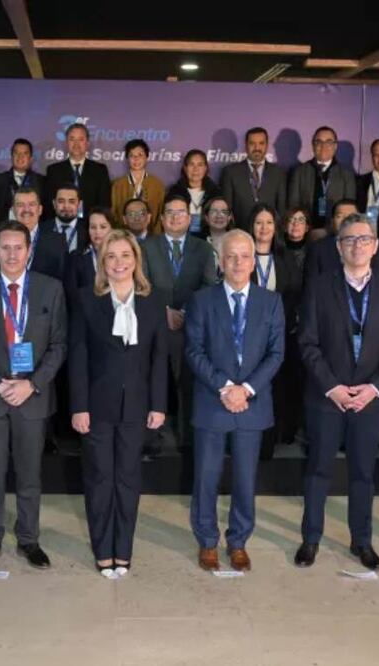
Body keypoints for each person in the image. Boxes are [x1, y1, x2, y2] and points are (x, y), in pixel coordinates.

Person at [296, 214, 379, 570]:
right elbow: (308, 342)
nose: (357, 246)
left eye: (364, 240)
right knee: (318, 471)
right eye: (349, 240)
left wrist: (374, 389)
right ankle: (310, 538)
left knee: (363, 474)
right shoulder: (318, 286)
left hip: (369, 401)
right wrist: (332, 386)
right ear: (338, 246)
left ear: (375, 246)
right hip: (326, 397)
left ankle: (362, 541)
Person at [0, 220, 68, 571]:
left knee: (29, 474)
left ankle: (29, 539)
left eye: (18, 247)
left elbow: (59, 345)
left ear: (29, 250)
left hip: (32, 398)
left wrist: (31, 384)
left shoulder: (51, 289)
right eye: (4, 247)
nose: (11, 254)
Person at [69, 229, 167, 577]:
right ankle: (102, 550)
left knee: (127, 479)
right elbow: (78, 357)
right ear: (102, 262)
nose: (118, 263)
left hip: (137, 408)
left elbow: (158, 359)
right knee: (99, 479)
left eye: (125, 255)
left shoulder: (153, 302)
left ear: (135, 260)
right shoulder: (85, 300)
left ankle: (122, 550)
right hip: (96, 407)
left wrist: (158, 405)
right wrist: (79, 407)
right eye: (111, 256)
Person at [187, 229, 285, 571]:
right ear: (221, 260)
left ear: (253, 261)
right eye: (231, 256)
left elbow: (276, 354)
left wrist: (246, 390)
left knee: (245, 478)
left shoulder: (271, 302)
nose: (238, 263)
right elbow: (194, 352)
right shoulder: (201, 300)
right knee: (206, 477)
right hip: (213, 401)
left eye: (245, 256)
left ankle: (239, 540)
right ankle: (207, 540)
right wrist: (226, 387)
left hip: (252, 404)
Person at [142, 193, 219, 452]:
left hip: (191, 328)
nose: (175, 217)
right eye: (170, 213)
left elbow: (209, 286)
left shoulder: (204, 248)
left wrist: (185, 312)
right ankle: (153, 439)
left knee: (187, 384)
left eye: (181, 213)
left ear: (190, 218)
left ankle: (187, 440)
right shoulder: (146, 247)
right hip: (154, 327)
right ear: (162, 219)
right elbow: (142, 286)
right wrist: (162, 311)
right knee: (154, 383)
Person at [250, 204, 302, 456]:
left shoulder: (285, 258)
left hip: (279, 334)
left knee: (277, 388)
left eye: (269, 222)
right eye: (259, 222)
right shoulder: (242, 256)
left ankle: (273, 439)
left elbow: (293, 294)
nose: (264, 228)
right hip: (248, 336)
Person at [287, 126, 356, 229]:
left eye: (328, 142)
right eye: (319, 142)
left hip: (335, 233)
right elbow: (293, 206)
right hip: (306, 231)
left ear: (335, 146)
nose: (323, 146)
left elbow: (349, 211)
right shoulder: (299, 172)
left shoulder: (347, 175)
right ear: (313, 145)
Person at [219, 127, 288, 230]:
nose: (257, 148)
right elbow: (226, 209)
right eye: (252, 143)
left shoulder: (279, 173)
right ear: (246, 145)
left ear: (267, 145)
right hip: (239, 235)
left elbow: (281, 210)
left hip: (268, 235)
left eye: (261, 143)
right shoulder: (230, 172)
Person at [45, 122, 111, 219]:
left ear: (87, 143)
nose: (76, 144)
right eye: (72, 139)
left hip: (91, 227)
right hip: (62, 225)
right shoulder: (53, 170)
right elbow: (49, 205)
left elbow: (104, 204)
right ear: (66, 143)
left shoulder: (100, 170)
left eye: (81, 139)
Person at [0, 138, 45, 241]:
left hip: (33, 238)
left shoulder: (41, 181)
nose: (20, 157)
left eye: (25, 153)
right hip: (4, 237)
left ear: (30, 158)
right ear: (11, 156)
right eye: (17, 153)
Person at [9, 186, 68, 281]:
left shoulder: (57, 242)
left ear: (40, 210)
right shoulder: (2, 240)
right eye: (20, 205)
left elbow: (62, 281)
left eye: (31, 204)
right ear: (13, 210)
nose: (26, 209)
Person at [111, 139, 166, 233]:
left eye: (140, 155)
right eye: (132, 155)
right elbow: (114, 213)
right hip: (124, 236)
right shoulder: (118, 185)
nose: (136, 159)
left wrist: (156, 238)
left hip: (151, 236)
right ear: (127, 158)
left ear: (147, 157)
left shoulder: (157, 185)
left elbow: (160, 215)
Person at [303, 199, 361, 282]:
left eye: (350, 216)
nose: (345, 220)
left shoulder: (369, 247)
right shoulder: (317, 250)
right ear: (332, 221)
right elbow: (311, 286)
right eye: (339, 216)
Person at [166, 149, 221, 235]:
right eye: (192, 164)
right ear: (185, 168)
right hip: (181, 237)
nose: (196, 169)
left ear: (206, 168)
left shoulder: (215, 192)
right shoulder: (174, 192)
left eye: (200, 165)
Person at [65, 207, 115, 297]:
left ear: (112, 229)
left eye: (103, 227)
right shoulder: (76, 257)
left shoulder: (120, 255)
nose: (97, 232)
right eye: (93, 227)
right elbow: (71, 293)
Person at [48, 183, 89, 254]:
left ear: (79, 205)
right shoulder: (41, 230)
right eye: (61, 201)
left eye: (71, 202)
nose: (66, 206)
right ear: (54, 204)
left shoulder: (88, 230)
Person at [196, 195, 235, 261]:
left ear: (229, 217)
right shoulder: (196, 244)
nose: (219, 215)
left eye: (224, 212)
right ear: (206, 217)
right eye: (214, 211)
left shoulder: (238, 242)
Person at [281, 206, 310, 272]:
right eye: (291, 220)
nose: (296, 224)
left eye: (301, 220)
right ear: (285, 227)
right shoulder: (277, 251)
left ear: (307, 228)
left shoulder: (313, 252)